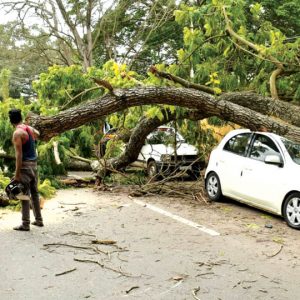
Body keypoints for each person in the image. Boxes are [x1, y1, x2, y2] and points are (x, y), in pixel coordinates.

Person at [8, 109, 43, 231]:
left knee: (24, 195)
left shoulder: (17, 133)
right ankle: (39, 220)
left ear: (10, 120)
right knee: (34, 193)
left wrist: (17, 174)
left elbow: (19, 156)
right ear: (21, 117)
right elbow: (38, 133)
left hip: (25, 167)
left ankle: (25, 223)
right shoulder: (29, 129)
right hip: (34, 165)